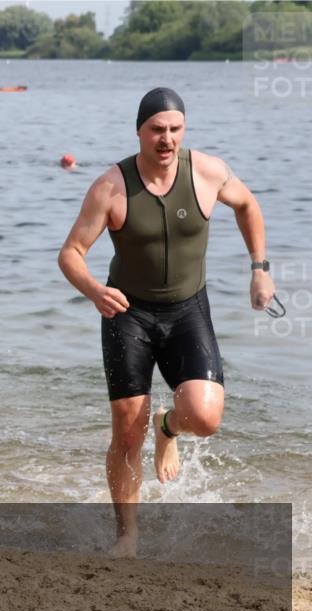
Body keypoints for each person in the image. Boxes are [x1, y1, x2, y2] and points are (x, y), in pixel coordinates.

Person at [58, 88, 276, 558]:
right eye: (157, 129)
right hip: (127, 314)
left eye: (175, 129)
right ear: (140, 131)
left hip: (186, 311)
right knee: (125, 431)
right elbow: (70, 253)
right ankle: (128, 536)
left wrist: (260, 270)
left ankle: (168, 428)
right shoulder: (110, 187)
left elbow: (248, 206)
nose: (167, 139)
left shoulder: (208, 172)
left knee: (205, 416)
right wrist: (95, 290)